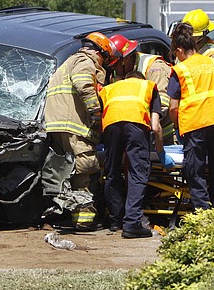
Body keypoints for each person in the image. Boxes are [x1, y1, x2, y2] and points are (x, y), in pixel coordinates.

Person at [44, 32, 118, 231]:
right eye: (105, 58)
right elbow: (83, 84)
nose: (105, 63)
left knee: (67, 171)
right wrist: (95, 112)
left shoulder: (67, 62)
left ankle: (68, 214)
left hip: (58, 125)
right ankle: (84, 221)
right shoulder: (84, 61)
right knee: (84, 170)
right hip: (74, 126)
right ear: (98, 51)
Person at [167, 22, 214, 210]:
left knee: (195, 171)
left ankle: (202, 211)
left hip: (195, 124)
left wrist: (177, 127)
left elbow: (173, 107)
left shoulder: (180, 70)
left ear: (179, 49)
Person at [99, 70, 171, 238]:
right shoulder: (148, 87)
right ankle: (132, 223)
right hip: (136, 125)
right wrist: (160, 153)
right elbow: (155, 126)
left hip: (110, 126)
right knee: (138, 173)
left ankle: (115, 220)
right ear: (141, 79)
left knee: (112, 172)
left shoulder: (110, 89)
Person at [109, 34, 175, 144]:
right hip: (138, 134)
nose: (113, 68)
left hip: (165, 135)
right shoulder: (119, 73)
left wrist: (136, 121)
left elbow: (163, 103)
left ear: (126, 59)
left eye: (115, 64)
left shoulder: (154, 68)